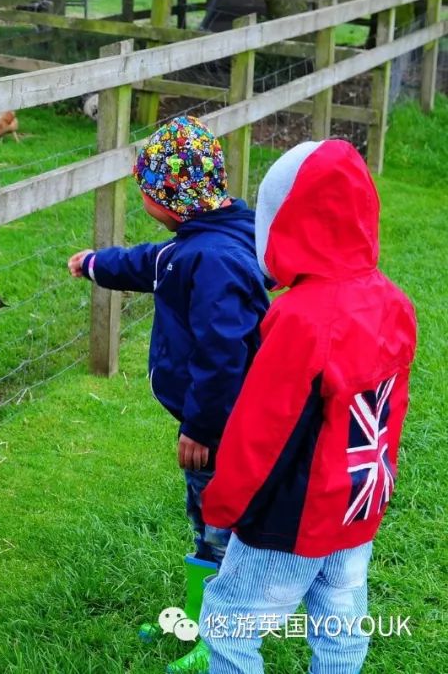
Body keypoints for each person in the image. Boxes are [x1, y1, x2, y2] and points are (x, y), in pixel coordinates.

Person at [199, 140, 417, 674]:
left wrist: (223, 505)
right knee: (339, 621)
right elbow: (392, 410)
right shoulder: (395, 303)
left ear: (285, 222)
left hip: (292, 516)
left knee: (229, 624)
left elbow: (262, 430)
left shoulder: (300, 318)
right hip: (359, 502)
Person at [68, 116, 268, 674]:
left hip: (222, 430)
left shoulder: (210, 262)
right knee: (208, 518)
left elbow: (222, 356)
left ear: (167, 200)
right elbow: (145, 263)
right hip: (230, 422)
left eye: (146, 191)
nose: (143, 201)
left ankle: (217, 641)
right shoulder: (216, 238)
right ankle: (204, 621)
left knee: (217, 525)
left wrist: (200, 428)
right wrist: (93, 264)